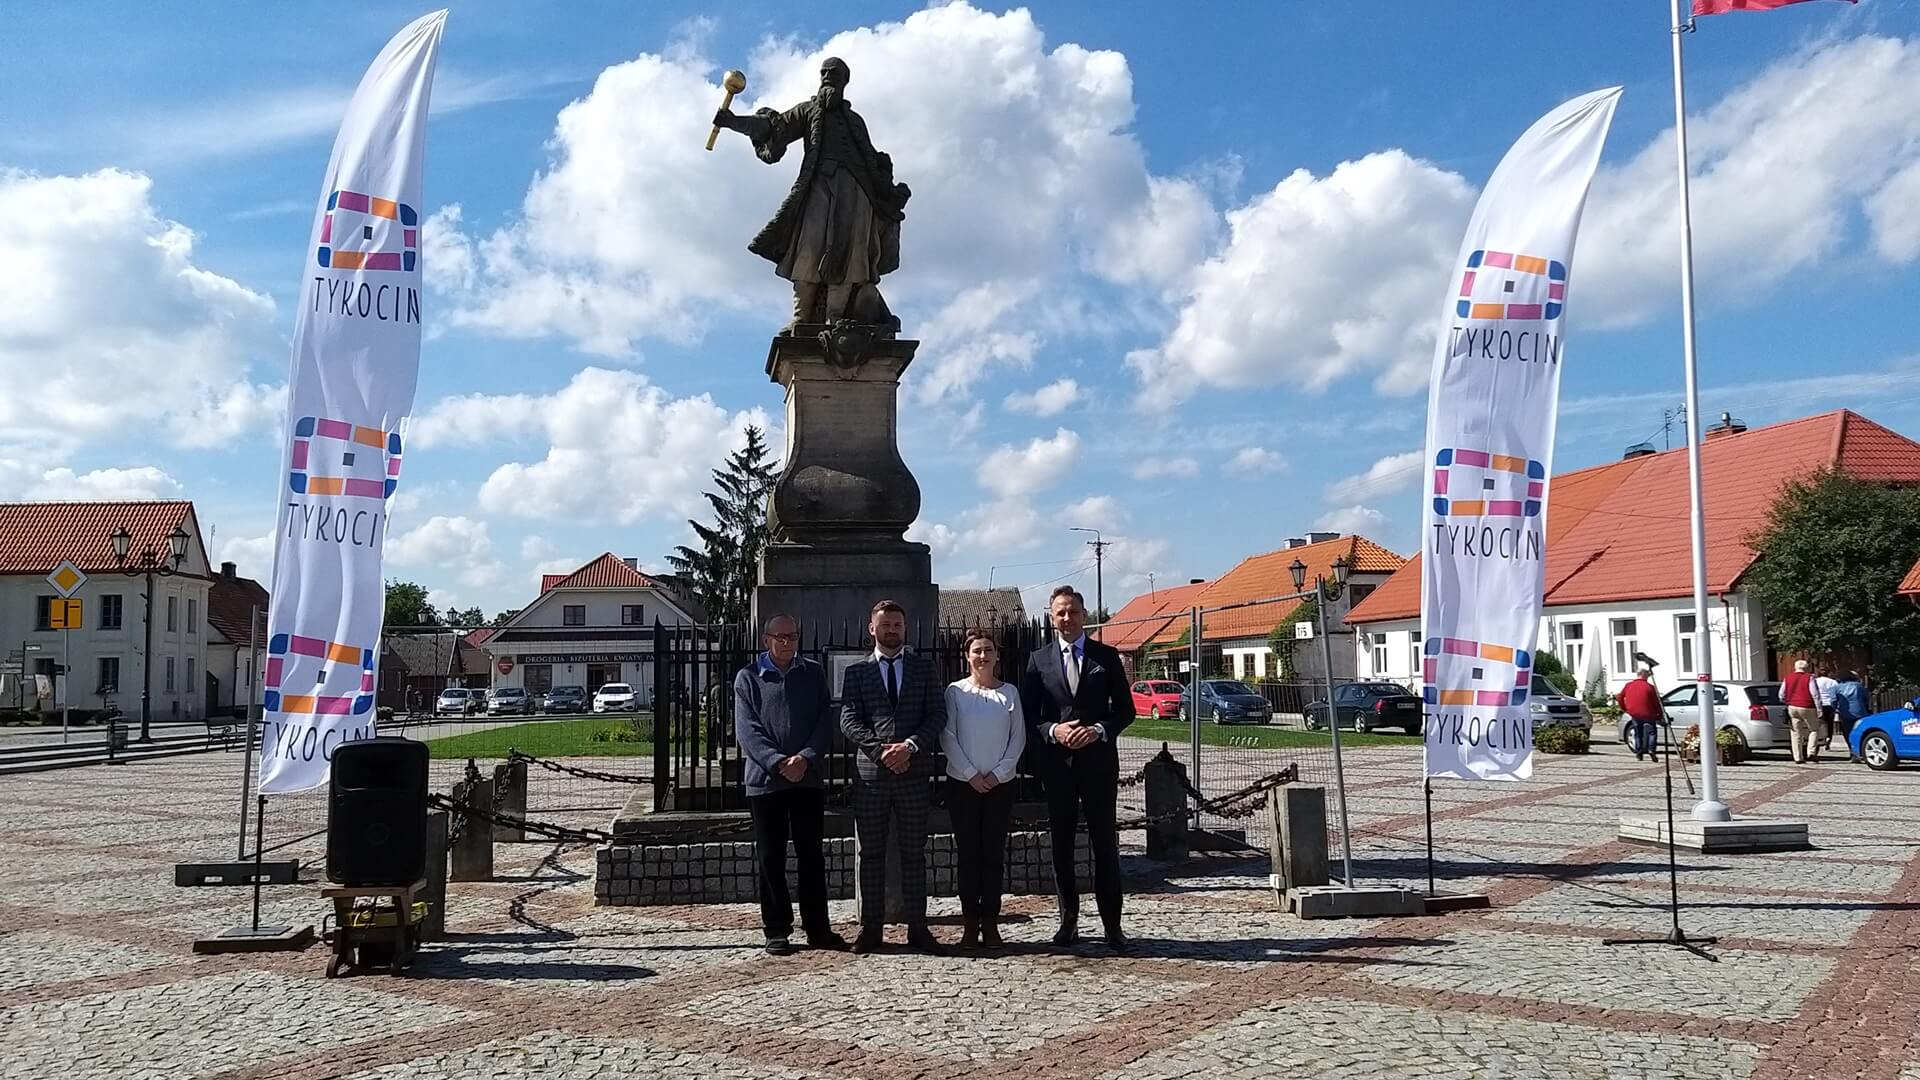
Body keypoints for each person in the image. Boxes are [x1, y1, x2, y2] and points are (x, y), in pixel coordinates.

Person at [712, 56, 912, 332]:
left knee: (850, 255)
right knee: (808, 249)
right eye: (825, 73)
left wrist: (889, 192)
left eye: (835, 74)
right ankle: (802, 317)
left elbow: (870, 158)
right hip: (819, 187)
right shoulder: (807, 111)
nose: (829, 77)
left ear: (845, 81)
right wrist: (734, 122)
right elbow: (773, 127)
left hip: (857, 194)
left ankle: (836, 316)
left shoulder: (855, 121)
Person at [1020, 585, 1136, 953]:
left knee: (1105, 844)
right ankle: (1067, 920)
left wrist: (1099, 730)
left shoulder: (1106, 656)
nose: (1066, 619)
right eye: (1060, 613)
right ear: (1051, 618)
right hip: (1059, 766)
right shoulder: (1038, 660)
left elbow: (1125, 710)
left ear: (1084, 615)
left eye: (1072, 612)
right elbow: (1029, 714)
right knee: (1062, 847)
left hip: (1098, 764)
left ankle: (1112, 926)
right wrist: (1054, 730)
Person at [734, 614, 846, 957]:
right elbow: (747, 730)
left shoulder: (812, 673)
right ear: (766, 639)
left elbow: (824, 721)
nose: (786, 643)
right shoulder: (748, 677)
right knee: (771, 858)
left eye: (792, 637)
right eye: (780, 637)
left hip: (807, 779)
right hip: (766, 783)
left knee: (811, 856)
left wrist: (806, 758)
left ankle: (818, 928)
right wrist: (778, 762)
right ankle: (777, 929)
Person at [839, 599, 946, 955]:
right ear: (872, 629)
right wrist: (881, 751)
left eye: (897, 625)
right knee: (871, 854)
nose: (892, 630)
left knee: (915, 853)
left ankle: (918, 927)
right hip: (872, 776)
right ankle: (871, 929)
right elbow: (849, 720)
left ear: (905, 628)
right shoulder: (856, 673)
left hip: (913, 774)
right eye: (885, 624)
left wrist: (910, 747)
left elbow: (937, 716)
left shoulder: (924, 668)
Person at [941, 627, 1027, 949]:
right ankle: (969, 922)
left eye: (988, 650)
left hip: (999, 785)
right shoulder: (955, 692)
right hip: (964, 785)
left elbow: (1017, 737)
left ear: (996, 655)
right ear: (967, 656)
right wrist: (969, 773)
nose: (982, 656)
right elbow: (948, 735)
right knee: (968, 856)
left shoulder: (1010, 694)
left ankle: (991, 922)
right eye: (976, 650)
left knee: (992, 855)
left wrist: (999, 773)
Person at [1616, 666, 1663, 762]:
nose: (1648, 677)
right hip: (1649, 713)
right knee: (1652, 733)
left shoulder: (1628, 685)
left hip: (1635, 713)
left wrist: (1624, 708)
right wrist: (1659, 714)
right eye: (1647, 675)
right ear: (1644, 675)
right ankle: (1651, 749)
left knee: (1638, 733)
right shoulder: (1650, 687)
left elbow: (1619, 697)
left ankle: (1639, 752)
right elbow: (1656, 702)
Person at [1782, 658, 1820, 764]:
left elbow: (1781, 694)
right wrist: (1819, 708)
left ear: (1795, 667)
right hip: (1808, 706)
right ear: (1806, 668)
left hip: (1792, 706)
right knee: (1814, 729)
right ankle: (1811, 752)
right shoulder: (1809, 677)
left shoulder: (1788, 678)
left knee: (1795, 732)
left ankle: (1798, 757)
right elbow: (1815, 694)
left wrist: (1787, 701)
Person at [1833, 670, 1869, 763]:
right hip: (1860, 712)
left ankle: (1853, 753)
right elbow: (1866, 698)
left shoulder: (1838, 687)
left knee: (1848, 733)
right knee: (1861, 732)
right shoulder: (1859, 686)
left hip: (1845, 712)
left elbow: (1833, 700)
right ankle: (1862, 752)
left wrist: (1836, 708)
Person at [1814, 667, 1839, 751]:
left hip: (1819, 704)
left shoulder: (1815, 681)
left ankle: (1818, 740)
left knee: (1818, 724)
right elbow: (1837, 692)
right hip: (1829, 704)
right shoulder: (1832, 682)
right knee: (1829, 724)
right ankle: (1828, 739)